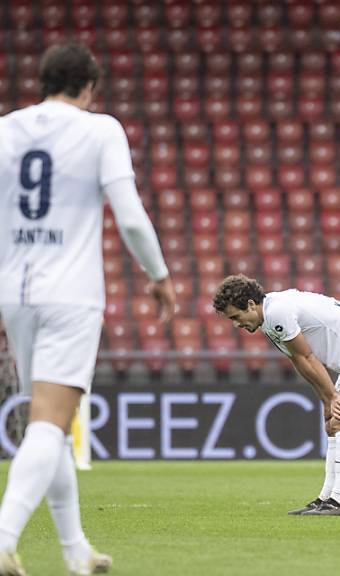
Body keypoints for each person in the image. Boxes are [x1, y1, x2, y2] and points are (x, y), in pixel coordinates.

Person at [0, 42, 176, 575]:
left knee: (47, 422)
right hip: (71, 293)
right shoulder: (101, 130)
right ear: (89, 88)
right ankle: (4, 536)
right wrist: (159, 276)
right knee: (50, 424)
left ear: (44, 82)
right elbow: (128, 215)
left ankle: (76, 551)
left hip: (16, 292)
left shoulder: (6, 130)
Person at [212, 275, 340, 516]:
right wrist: (326, 399)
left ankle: (339, 502)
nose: (236, 325)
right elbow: (299, 361)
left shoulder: (278, 312)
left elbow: (307, 356)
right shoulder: (269, 317)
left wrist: (332, 396)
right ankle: (326, 498)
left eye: (236, 317)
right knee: (332, 426)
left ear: (250, 305)